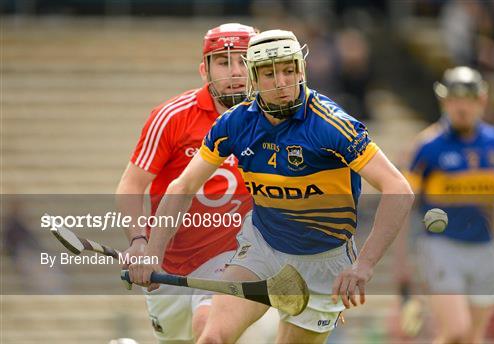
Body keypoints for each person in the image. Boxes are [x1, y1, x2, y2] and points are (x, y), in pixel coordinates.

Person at [128, 29, 414, 343]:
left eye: (289, 70)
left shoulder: (333, 126)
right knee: (212, 337)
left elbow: (398, 189)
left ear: (301, 70)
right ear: (253, 77)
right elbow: (182, 186)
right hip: (262, 249)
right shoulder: (234, 124)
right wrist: (153, 252)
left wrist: (365, 264)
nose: (281, 83)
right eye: (269, 73)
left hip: (324, 261)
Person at [115, 23, 258, 343]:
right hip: (168, 262)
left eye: (244, 62)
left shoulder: (271, 122)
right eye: (224, 61)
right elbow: (131, 185)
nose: (236, 72)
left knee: (209, 329)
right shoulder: (172, 116)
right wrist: (140, 242)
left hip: (233, 258)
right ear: (204, 71)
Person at [395, 66, 494, 344]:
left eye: (468, 99)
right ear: (444, 101)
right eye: (454, 99)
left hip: (485, 248)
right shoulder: (428, 146)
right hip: (440, 246)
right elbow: (401, 202)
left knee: (473, 338)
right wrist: (402, 263)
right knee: (456, 332)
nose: (461, 107)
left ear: (481, 101)